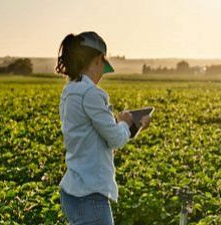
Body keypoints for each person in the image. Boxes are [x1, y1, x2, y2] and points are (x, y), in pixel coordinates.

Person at [55, 31, 151, 225]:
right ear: (99, 59)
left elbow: (92, 134)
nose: (101, 74)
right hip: (90, 195)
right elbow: (115, 139)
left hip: (72, 191)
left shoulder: (69, 90)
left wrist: (125, 127)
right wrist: (125, 121)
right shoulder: (92, 93)